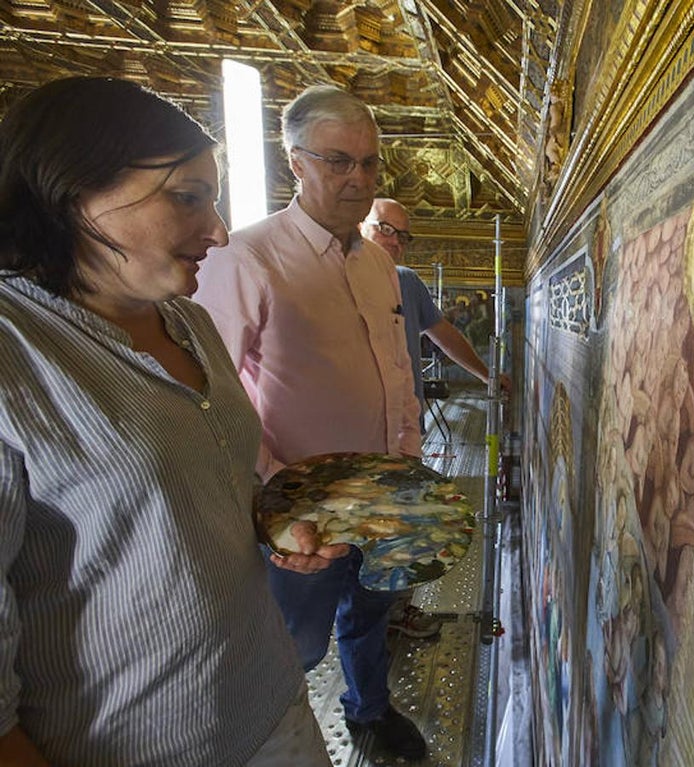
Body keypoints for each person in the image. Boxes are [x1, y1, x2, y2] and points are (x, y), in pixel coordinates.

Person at [0, 77, 331, 766]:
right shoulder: (17, 356)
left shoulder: (191, 324)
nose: (215, 230)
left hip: (269, 702)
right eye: (186, 196)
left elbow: (189, 487)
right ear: (71, 193)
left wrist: (271, 523)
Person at [194, 86, 427, 760]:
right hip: (303, 507)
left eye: (370, 163)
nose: (358, 177)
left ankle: (369, 710)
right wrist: (277, 488)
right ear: (296, 162)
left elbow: (395, 370)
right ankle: (265, 740)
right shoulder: (248, 259)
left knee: (371, 611)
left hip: (383, 491)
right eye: (338, 160)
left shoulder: (380, 263)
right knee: (291, 639)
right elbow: (213, 393)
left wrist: (406, 461)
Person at [360, 197, 511, 423]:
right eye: (385, 229)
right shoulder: (330, 281)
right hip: (355, 421)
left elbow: (444, 334)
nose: (395, 242)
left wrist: (487, 375)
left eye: (403, 237)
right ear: (359, 226)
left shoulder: (408, 282)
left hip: (404, 420)